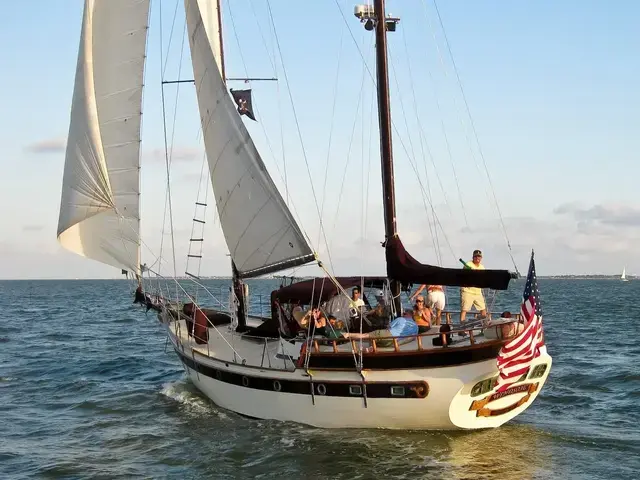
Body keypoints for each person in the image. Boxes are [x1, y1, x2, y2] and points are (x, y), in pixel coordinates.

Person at [342, 310, 418, 348]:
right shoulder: (416, 326)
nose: (403, 314)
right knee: (376, 340)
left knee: (366, 335)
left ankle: (347, 334)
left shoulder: (401, 319)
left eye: (404, 313)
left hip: (388, 335)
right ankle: (371, 347)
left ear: (408, 315)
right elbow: (413, 337)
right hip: (393, 343)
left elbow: (388, 326)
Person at [460, 249, 487, 325]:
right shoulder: (468, 264)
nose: (477, 258)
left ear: (481, 258)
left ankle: (483, 327)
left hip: (477, 292)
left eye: (479, 256)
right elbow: (464, 272)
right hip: (467, 291)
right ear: (473, 257)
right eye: (475, 256)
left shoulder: (482, 267)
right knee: (464, 309)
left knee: (483, 310)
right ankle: (462, 329)